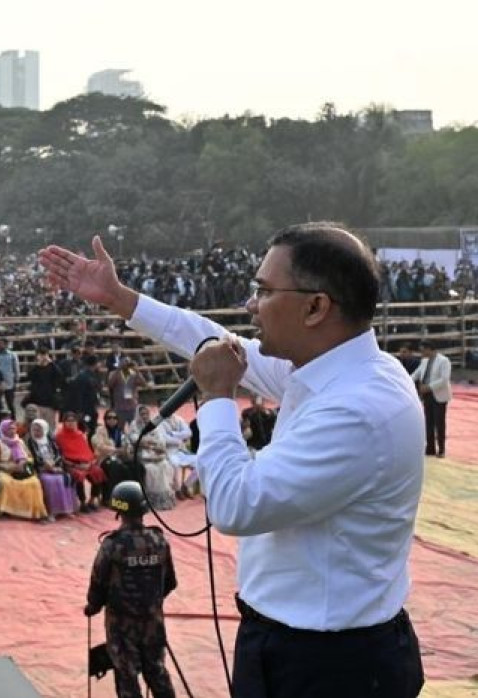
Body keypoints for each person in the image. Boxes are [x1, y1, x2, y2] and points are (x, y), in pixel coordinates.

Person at [43, 225, 425, 696]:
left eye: (263, 291)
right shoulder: (335, 368)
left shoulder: (359, 409)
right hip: (294, 642)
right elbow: (214, 341)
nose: (249, 305)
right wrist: (121, 299)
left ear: (315, 307)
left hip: (331, 663)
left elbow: (235, 505)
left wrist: (217, 397)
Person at [84, 481, 177, 698]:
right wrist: (150, 601)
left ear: (118, 511)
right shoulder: (158, 540)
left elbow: (98, 582)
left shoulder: (113, 545)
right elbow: (170, 582)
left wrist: (93, 605)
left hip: (121, 624)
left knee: (126, 675)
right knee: (157, 671)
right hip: (152, 621)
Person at [0, 419, 50, 522]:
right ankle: (5, 510)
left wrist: (23, 463)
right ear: (3, 430)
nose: (12, 431)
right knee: (5, 482)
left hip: (22, 471)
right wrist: (11, 467)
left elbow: (30, 457)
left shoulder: (20, 442)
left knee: (34, 483)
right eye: (9, 429)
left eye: (14, 428)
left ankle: (34, 511)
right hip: (5, 471)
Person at [28, 418, 78, 519]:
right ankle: (52, 511)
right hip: (41, 469)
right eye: (34, 430)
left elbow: (58, 454)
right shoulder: (31, 441)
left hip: (55, 467)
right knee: (50, 481)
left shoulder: (50, 439)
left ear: (44, 430)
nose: (36, 432)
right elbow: (33, 457)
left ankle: (66, 509)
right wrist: (47, 466)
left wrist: (54, 465)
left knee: (66, 478)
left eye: (39, 430)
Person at [57, 412, 106, 512]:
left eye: (73, 421)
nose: (71, 423)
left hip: (86, 463)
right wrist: (75, 465)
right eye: (68, 421)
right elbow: (60, 456)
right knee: (78, 476)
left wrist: (89, 464)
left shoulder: (79, 435)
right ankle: (82, 502)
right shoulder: (59, 436)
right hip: (70, 464)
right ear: (64, 422)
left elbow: (86, 451)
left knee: (98, 472)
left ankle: (92, 500)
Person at [411, 340, 451, 458]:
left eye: (423, 349)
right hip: (427, 396)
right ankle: (430, 448)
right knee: (428, 422)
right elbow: (416, 374)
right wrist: (406, 381)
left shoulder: (444, 361)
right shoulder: (424, 361)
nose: (421, 352)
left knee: (439, 423)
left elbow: (444, 379)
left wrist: (428, 387)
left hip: (438, 395)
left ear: (429, 349)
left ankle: (441, 449)